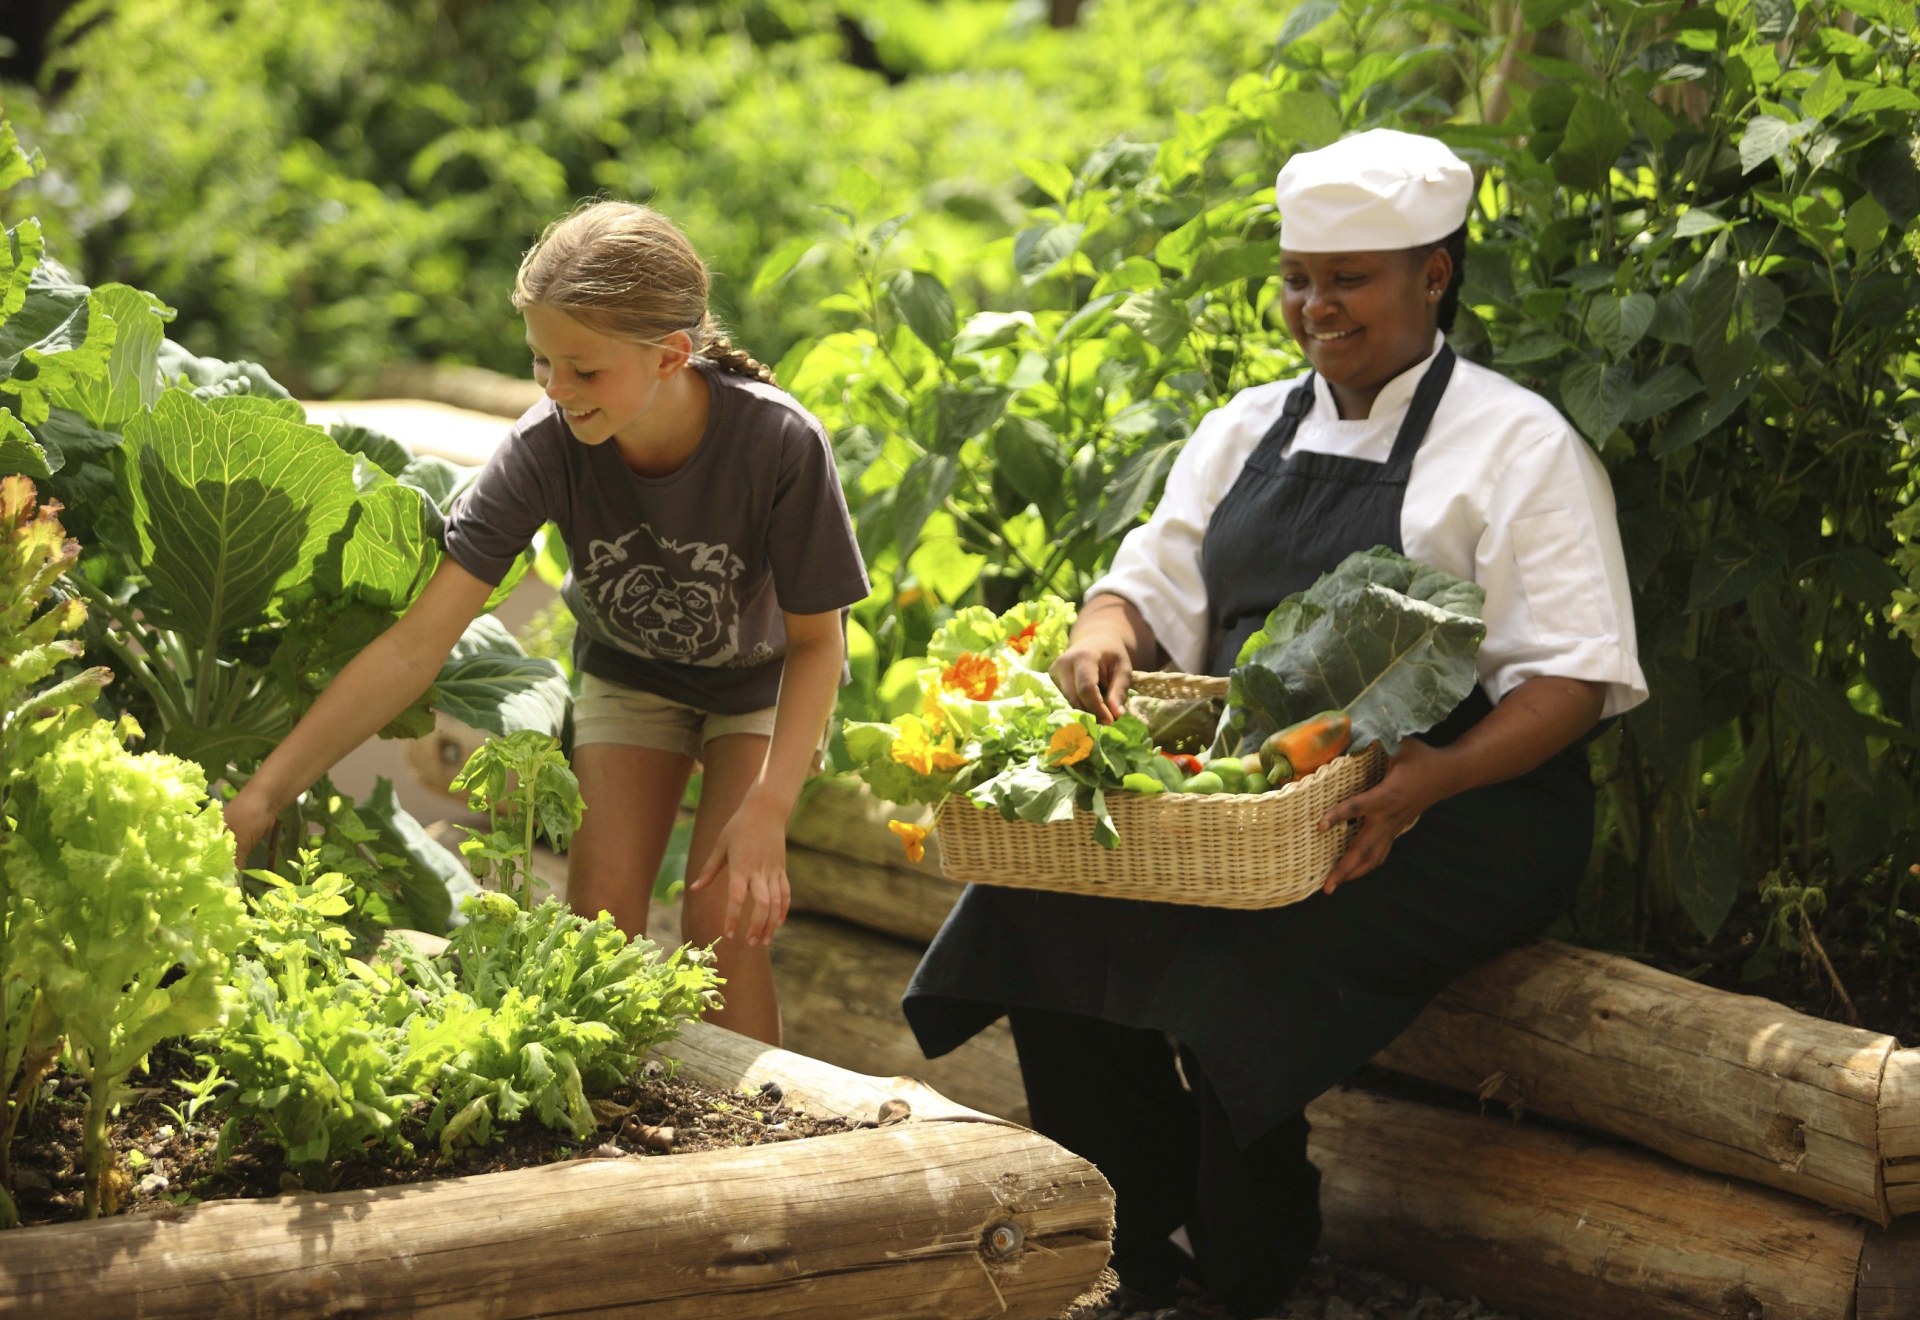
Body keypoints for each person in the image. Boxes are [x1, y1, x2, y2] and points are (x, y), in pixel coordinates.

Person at [902, 129, 1648, 1319]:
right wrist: (1103, 636)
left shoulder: (1518, 445)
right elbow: (1148, 586)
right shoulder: (1246, 425)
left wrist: (1428, 782)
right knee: (1037, 901)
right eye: (1300, 277)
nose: (1315, 306)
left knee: (1240, 954)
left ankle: (1253, 1258)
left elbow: (1572, 681)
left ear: (1434, 275)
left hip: (1468, 803)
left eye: (1349, 279)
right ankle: (1126, 1240)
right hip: (1253, 791)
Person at [224, 200, 871, 1046]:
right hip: (633, 675)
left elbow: (820, 645)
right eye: (539, 364)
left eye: (584, 370)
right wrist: (263, 796)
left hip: (764, 685)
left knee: (723, 925)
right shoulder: (545, 447)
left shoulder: (781, 444)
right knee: (596, 929)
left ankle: (769, 1155)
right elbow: (417, 645)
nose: (557, 392)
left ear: (672, 354)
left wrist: (768, 806)